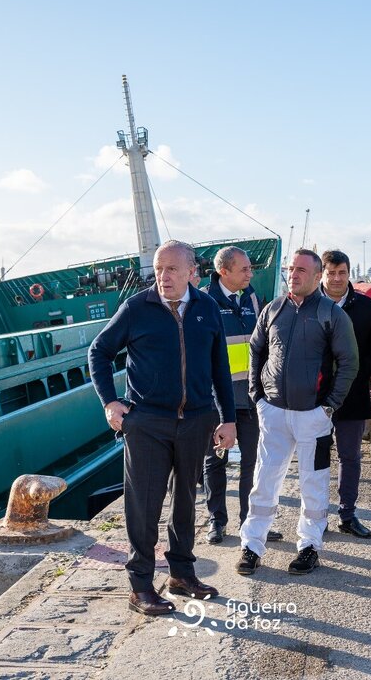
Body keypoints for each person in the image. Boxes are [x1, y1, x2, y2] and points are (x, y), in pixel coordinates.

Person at [88, 240, 238, 616]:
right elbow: (99, 352)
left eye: (172, 269)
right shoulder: (137, 308)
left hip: (196, 420)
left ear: (192, 272)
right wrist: (110, 402)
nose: (163, 276)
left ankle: (181, 574)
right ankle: (140, 587)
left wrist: (227, 417)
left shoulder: (206, 308)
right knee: (144, 504)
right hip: (148, 423)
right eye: (158, 268)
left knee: (186, 499)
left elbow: (219, 365)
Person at [236, 249, 359, 576]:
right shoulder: (273, 309)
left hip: (312, 417)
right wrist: (257, 396)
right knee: (263, 480)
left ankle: (308, 546)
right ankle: (252, 545)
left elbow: (349, 363)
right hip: (273, 412)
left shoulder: (331, 314)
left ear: (318, 276)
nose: (294, 274)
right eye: (292, 268)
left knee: (313, 483)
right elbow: (256, 350)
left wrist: (329, 406)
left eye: (302, 270)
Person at [201, 246, 281, 544]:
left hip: (251, 397)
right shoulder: (203, 301)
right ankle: (216, 521)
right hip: (216, 400)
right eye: (244, 269)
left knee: (254, 462)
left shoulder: (252, 298)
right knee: (215, 461)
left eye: (250, 268)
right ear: (224, 271)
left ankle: (252, 522)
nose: (251, 273)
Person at [319, 249, 371, 539]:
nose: (337, 278)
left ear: (349, 274)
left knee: (350, 457)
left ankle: (347, 515)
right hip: (316, 395)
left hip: (352, 393)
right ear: (321, 274)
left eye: (342, 273)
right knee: (316, 458)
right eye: (331, 273)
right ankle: (316, 515)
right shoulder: (309, 305)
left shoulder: (364, 305)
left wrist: (363, 373)